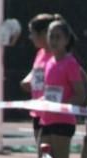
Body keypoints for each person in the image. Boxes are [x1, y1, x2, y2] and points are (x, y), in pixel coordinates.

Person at [38, 18, 85, 158]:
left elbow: (80, 95)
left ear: (66, 40)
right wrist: (43, 101)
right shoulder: (48, 62)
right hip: (46, 121)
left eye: (58, 37)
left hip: (63, 122)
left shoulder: (70, 63)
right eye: (51, 36)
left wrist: (61, 105)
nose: (54, 41)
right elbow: (49, 91)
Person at [20, 13, 57, 147]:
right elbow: (35, 73)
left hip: (54, 115)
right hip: (38, 111)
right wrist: (27, 81)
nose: (30, 37)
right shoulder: (40, 53)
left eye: (32, 33)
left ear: (44, 33)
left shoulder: (58, 56)